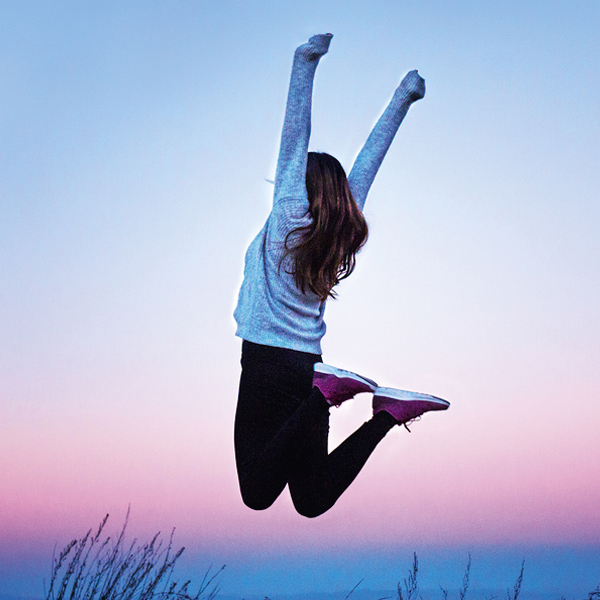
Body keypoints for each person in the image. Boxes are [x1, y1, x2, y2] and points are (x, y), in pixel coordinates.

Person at [233, 33, 449, 518]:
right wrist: (403, 98)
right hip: (308, 365)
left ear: (299, 183)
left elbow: (295, 137)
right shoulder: (339, 232)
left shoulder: (288, 215)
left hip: (269, 366)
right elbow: (369, 161)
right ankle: (386, 412)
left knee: (255, 491)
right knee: (311, 499)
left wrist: (303, 61)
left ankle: (322, 398)